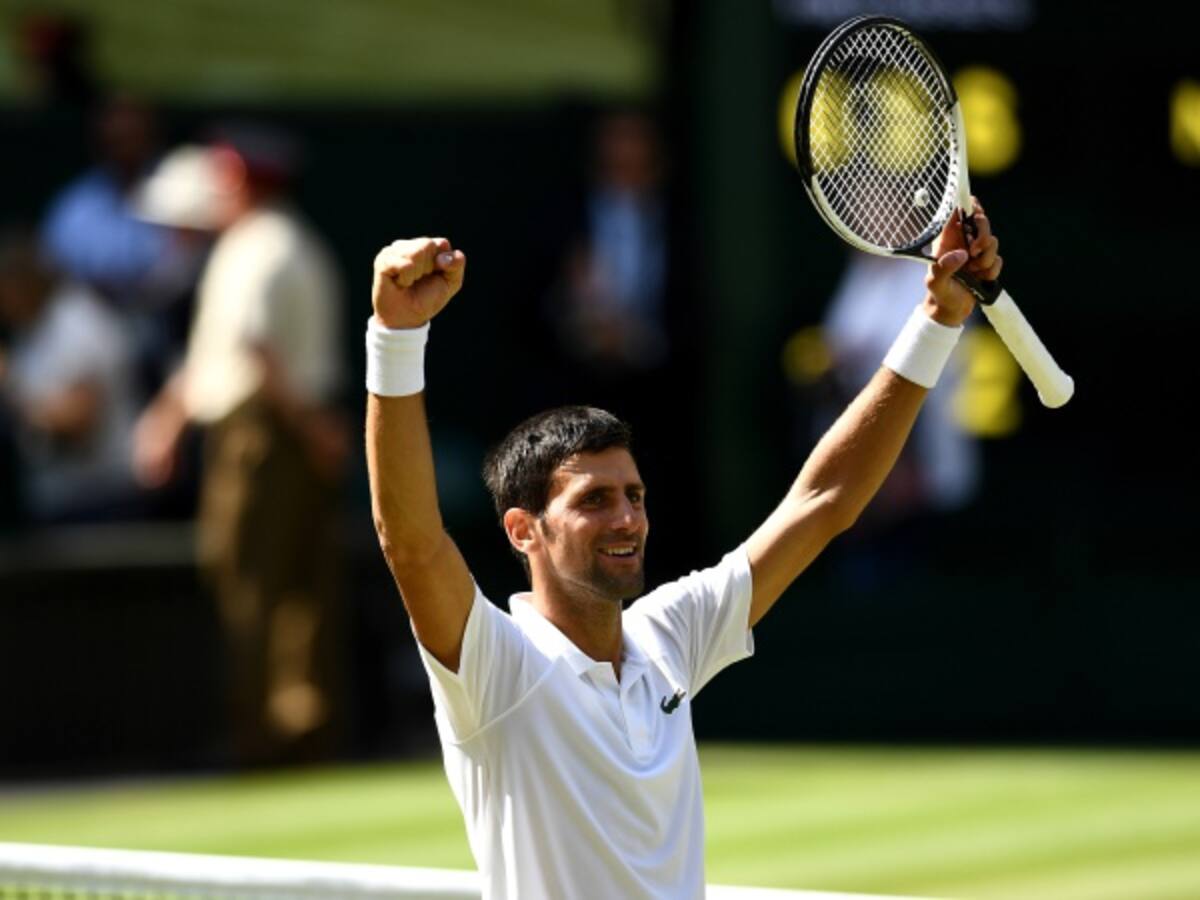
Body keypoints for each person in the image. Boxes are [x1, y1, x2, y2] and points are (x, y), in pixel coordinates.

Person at [364, 200, 1002, 897]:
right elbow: (412, 545)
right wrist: (396, 339)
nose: (627, 519)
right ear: (524, 530)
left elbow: (824, 502)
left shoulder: (667, 635)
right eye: (594, 501)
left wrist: (937, 319)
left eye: (634, 496)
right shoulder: (497, 667)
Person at [132, 131, 349, 767]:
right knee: (287, 583)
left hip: (266, 434)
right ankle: (290, 730)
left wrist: (309, 428)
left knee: (255, 581)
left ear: (245, 184)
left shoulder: (263, 247)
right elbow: (225, 352)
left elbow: (258, 352)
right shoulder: (262, 244)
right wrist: (170, 418)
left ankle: (265, 735)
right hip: (280, 429)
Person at [0, 230, 141, 523]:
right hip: (62, 498)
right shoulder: (29, 329)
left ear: (21, 282)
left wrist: (9, 386)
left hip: (102, 502)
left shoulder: (77, 324)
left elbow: (80, 420)